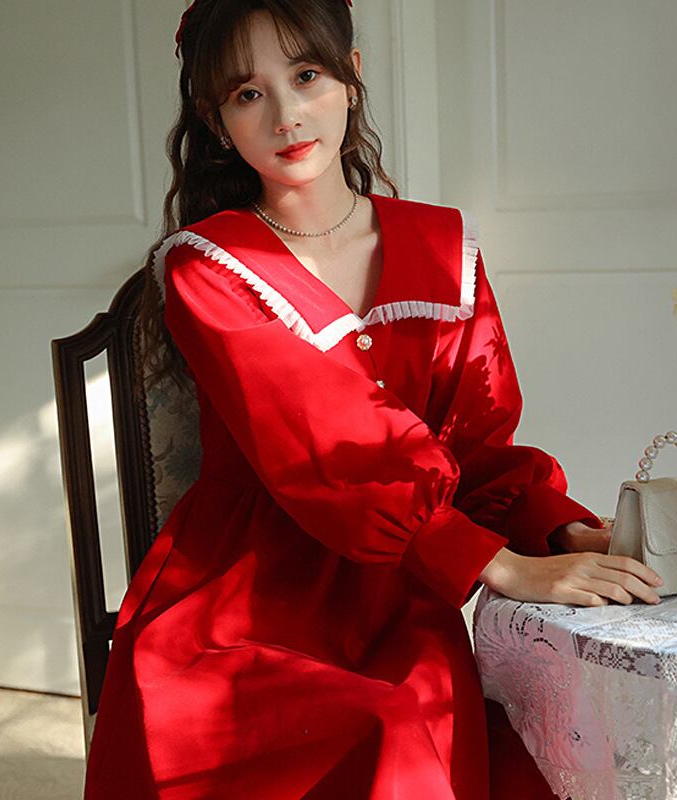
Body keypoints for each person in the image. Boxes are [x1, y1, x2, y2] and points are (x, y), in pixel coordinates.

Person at [83, 1, 664, 798]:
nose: (286, 116)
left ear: (351, 78)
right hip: (241, 600)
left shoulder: (443, 248)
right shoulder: (208, 264)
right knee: (393, 728)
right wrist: (499, 566)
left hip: (396, 598)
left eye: (306, 75)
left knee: (506, 736)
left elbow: (477, 443)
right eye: (248, 94)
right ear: (216, 121)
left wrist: (561, 530)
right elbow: (329, 440)